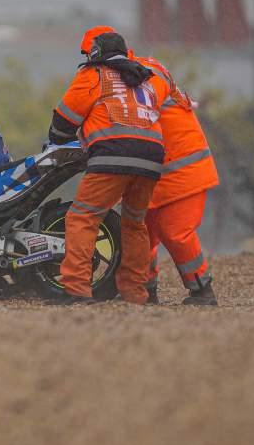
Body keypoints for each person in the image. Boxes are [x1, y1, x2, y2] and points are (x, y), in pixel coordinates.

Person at [47, 26, 174, 305]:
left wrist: (64, 140)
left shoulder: (93, 75)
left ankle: (76, 289)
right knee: (134, 223)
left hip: (112, 155)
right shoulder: (147, 79)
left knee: (82, 217)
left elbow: (62, 125)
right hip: (150, 160)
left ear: (94, 52)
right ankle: (135, 293)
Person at [135, 59, 218, 306]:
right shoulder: (141, 79)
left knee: (176, 232)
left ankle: (202, 290)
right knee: (142, 234)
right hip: (160, 175)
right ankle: (146, 290)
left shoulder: (146, 82)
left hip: (184, 174)